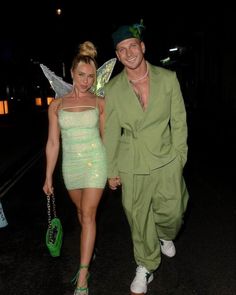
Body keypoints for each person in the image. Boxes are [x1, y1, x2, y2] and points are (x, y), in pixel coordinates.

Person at [104, 21, 189, 294]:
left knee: (174, 212)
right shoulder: (114, 89)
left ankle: (165, 234)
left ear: (142, 46)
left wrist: (179, 157)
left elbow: (179, 121)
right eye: (121, 50)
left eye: (132, 46)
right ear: (117, 56)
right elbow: (111, 132)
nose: (128, 53)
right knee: (138, 217)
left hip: (166, 159)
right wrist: (111, 169)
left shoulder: (168, 79)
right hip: (132, 162)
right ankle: (146, 264)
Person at [43, 41, 107, 295]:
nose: (86, 80)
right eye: (81, 75)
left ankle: (83, 275)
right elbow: (52, 142)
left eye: (91, 76)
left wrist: (113, 170)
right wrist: (48, 176)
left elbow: (106, 138)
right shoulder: (56, 106)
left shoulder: (100, 102)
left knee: (89, 215)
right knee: (82, 214)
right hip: (71, 167)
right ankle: (88, 250)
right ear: (72, 73)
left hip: (96, 163)